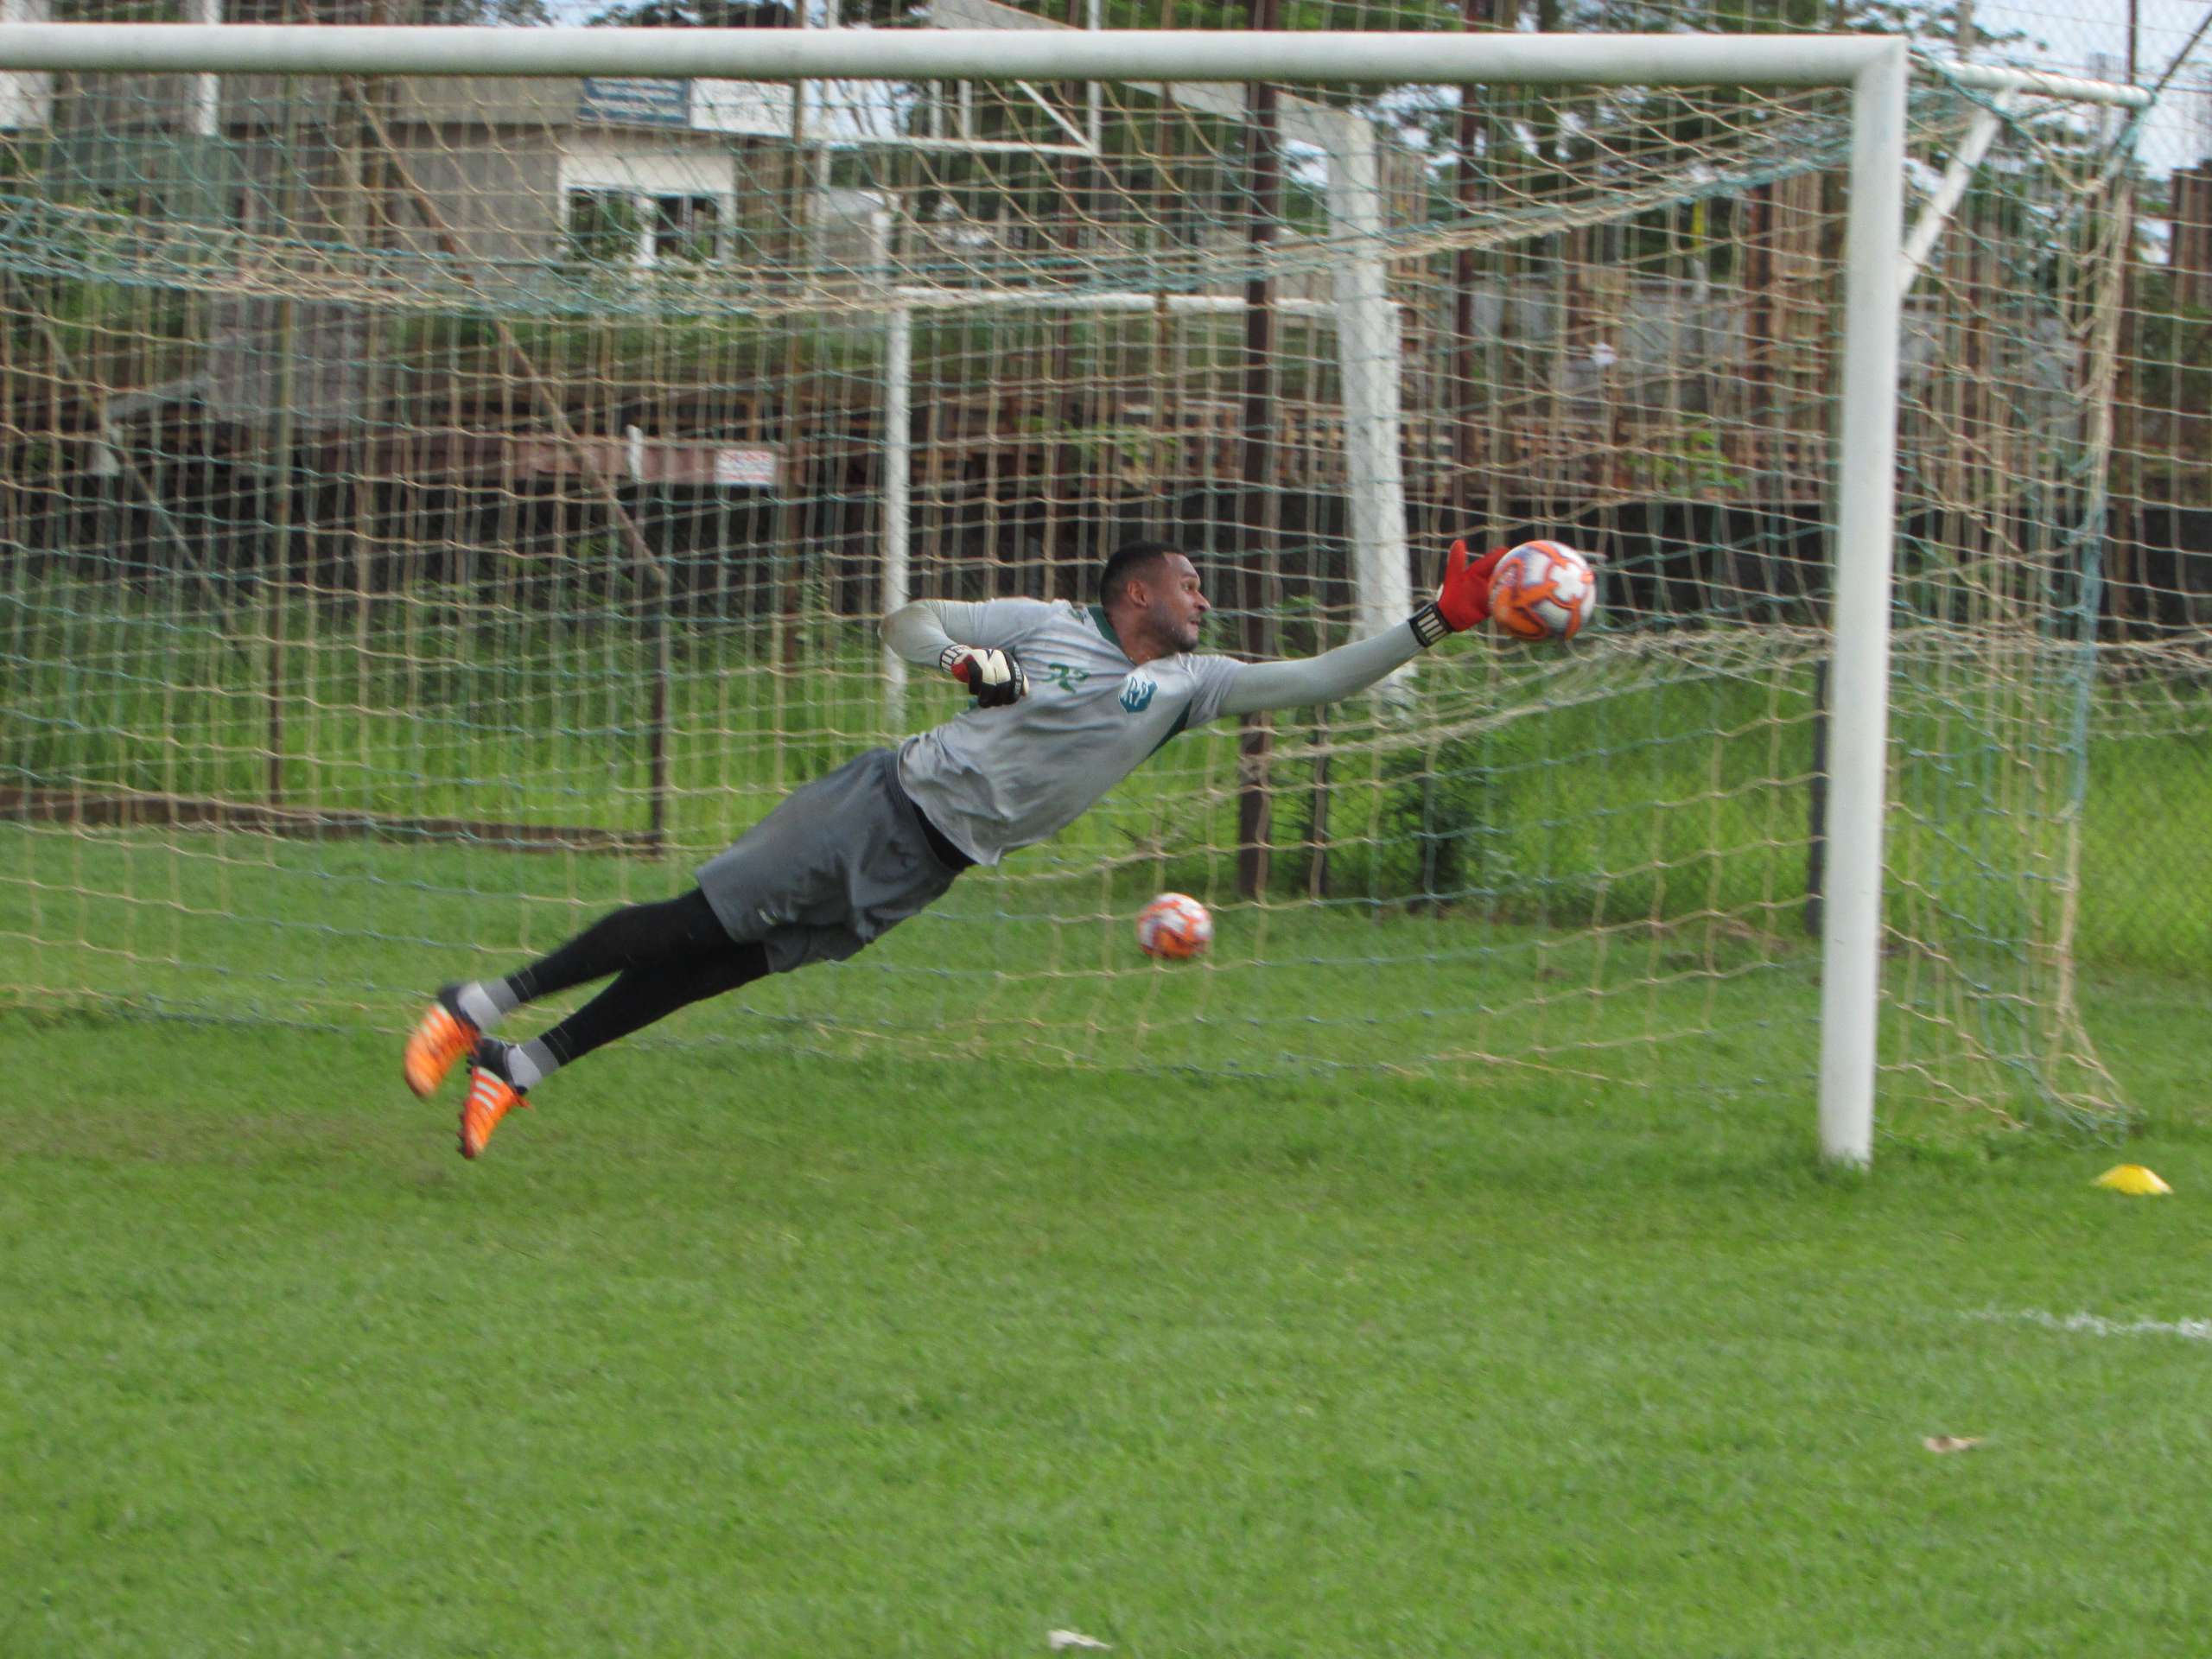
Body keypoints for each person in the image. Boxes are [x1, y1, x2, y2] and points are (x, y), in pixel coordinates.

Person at [403, 537, 1505, 1158]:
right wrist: (961, 665)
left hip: (931, 866)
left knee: (717, 971)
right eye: (1187, 581)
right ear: (1135, 592)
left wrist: (1437, 622)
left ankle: (521, 1069)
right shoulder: (1041, 624)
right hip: (880, 803)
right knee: (694, 921)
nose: (1202, 595)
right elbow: (912, 621)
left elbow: (1315, 680)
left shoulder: (1188, 688)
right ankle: (479, 1006)